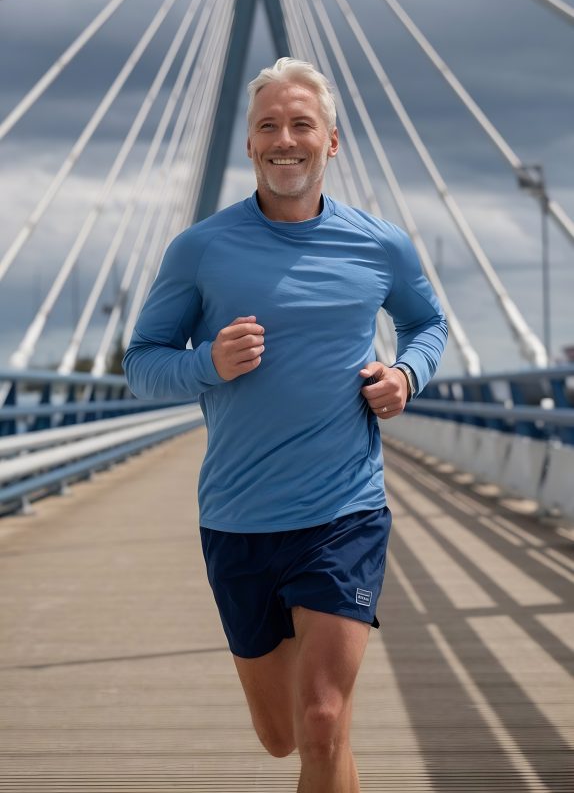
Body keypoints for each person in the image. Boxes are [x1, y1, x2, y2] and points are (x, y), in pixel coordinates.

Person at [123, 57, 447, 793]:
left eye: (302, 124)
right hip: (238, 520)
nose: (285, 138)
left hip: (344, 512)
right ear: (249, 146)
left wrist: (405, 376)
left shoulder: (381, 244)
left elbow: (428, 325)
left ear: (332, 141)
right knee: (285, 737)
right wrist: (208, 362)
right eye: (268, 125)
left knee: (325, 719)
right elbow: (140, 364)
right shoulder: (200, 249)